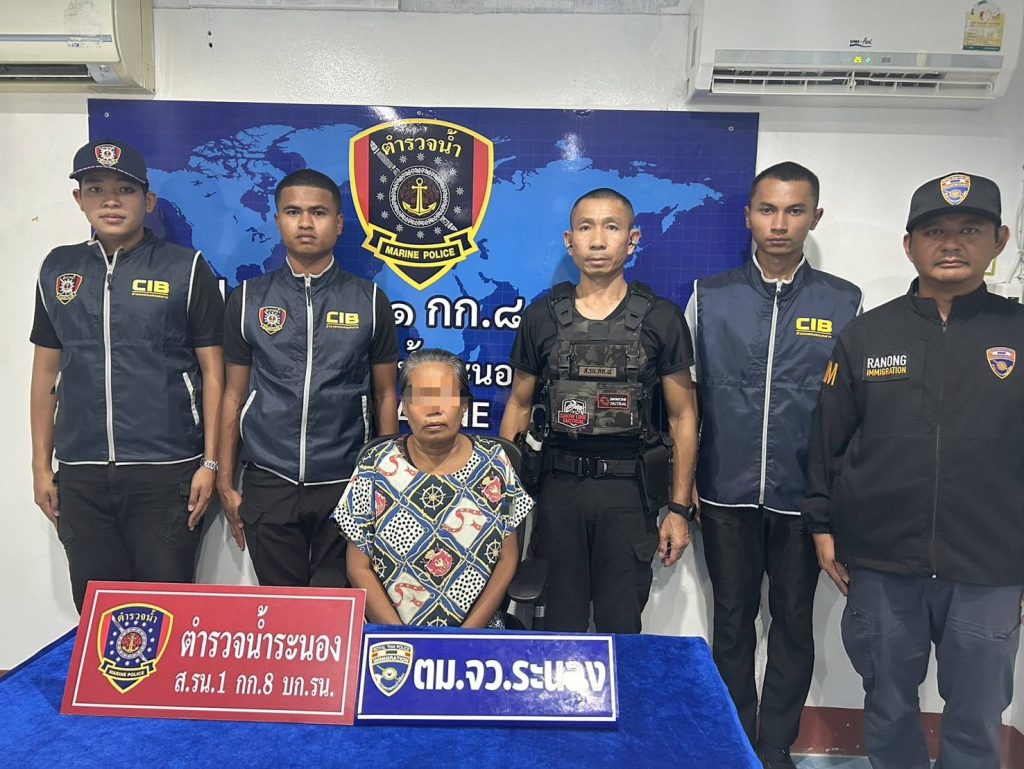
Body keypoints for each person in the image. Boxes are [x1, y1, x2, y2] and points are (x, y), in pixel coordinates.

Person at [804, 172, 1021, 769]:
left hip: (990, 566)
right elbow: (827, 440)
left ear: (999, 241)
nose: (950, 243)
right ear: (909, 245)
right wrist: (821, 523)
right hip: (882, 561)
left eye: (969, 230)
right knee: (888, 705)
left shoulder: (1018, 333)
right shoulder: (867, 336)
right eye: (933, 232)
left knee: (978, 715)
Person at [684, 162, 861, 768]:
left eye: (794, 210)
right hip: (724, 493)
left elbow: (852, 412)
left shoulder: (845, 301)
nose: (779, 224)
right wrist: (687, 483)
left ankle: (775, 747)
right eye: (767, 209)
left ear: (815, 216)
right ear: (748, 216)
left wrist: (833, 498)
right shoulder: (709, 297)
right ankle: (735, 743)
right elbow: (686, 402)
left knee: (792, 623)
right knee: (731, 623)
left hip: (803, 498)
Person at [29, 139, 225, 612]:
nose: (110, 201)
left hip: (168, 472)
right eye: (95, 189)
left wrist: (211, 463)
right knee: (97, 609)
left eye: (124, 190)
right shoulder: (58, 269)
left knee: (165, 610)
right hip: (82, 474)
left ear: (148, 201)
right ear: (79, 199)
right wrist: (40, 466)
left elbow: (214, 374)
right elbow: (45, 375)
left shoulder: (185, 268)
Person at [499, 187, 698, 634]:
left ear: (632, 239)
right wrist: (503, 505)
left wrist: (679, 509)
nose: (598, 240)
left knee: (621, 625)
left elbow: (683, 416)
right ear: (569, 241)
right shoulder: (542, 316)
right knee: (557, 625)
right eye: (586, 227)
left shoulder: (661, 318)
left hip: (628, 494)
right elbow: (519, 405)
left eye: (611, 227)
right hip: (558, 491)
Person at [218, 168, 398, 587]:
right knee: (283, 610)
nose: (305, 223)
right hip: (270, 479)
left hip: (346, 480)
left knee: (339, 609)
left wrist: (385, 480)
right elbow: (233, 396)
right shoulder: (247, 300)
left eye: (318, 212)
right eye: (293, 212)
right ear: (277, 219)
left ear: (339, 223)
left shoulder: (370, 300)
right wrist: (226, 481)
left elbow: (386, 395)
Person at [333, 349, 532, 627]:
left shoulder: (497, 466)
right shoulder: (374, 468)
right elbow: (358, 568)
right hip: (391, 637)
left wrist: (466, 635)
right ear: (404, 406)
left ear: (464, 405)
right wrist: (405, 639)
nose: (434, 409)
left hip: (476, 635)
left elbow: (507, 559)